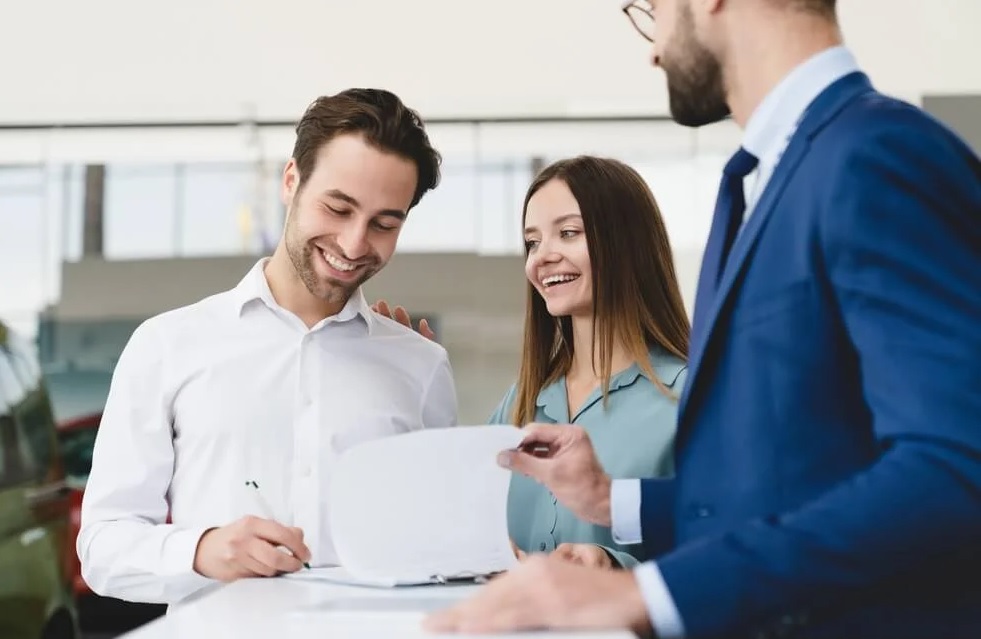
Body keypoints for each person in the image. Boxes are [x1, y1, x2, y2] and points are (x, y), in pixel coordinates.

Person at [423, 1, 981, 638]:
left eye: (653, 9)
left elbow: (956, 468)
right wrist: (612, 500)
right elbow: (790, 490)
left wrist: (653, 593)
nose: (654, 48)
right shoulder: (757, 181)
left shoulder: (877, 155)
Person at [77, 88, 459, 606]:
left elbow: (442, 546)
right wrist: (201, 551)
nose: (353, 244)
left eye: (384, 224)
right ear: (291, 181)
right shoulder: (166, 346)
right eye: (338, 208)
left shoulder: (422, 367)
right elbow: (102, 548)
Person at [487, 156, 690, 569]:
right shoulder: (520, 402)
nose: (542, 257)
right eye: (532, 242)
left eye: (568, 233)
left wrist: (612, 566)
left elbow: (732, 553)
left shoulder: (690, 397)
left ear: (627, 243)